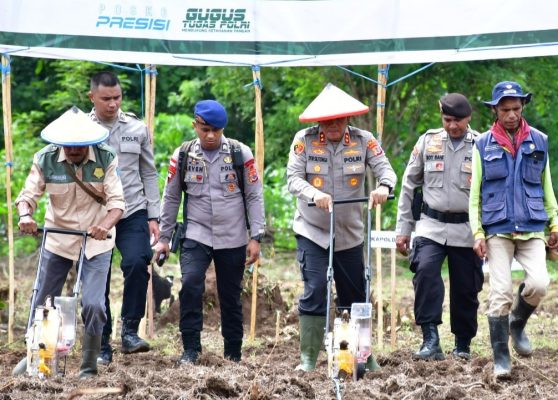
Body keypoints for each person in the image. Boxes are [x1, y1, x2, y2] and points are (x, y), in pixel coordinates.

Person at [287, 83, 397, 371]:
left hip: (349, 234)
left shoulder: (363, 140)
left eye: (338, 119)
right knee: (315, 291)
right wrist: (314, 194)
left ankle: (356, 357)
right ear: (319, 120)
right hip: (313, 232)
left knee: (355, 295)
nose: (333, 124)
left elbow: (386, 169)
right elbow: (293, 179)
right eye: (327, 120)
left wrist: (383, 187)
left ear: (348, 118)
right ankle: (309, 358)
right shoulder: (305, 140)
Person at [13, 107, 125, 378]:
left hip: (95, 241)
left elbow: (117, 203)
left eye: (80, 146)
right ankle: (34, 354)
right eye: (69, 146)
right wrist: (26, 215)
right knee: (42, 298)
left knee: (94, 304)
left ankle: (88, 364)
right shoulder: (46, 159)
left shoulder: (106, 158)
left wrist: (104, 226)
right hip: (58, 238)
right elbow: (28, 194)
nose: (74, 151)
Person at [154, 99, 265, 364]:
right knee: (190, 285)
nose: (211, 135)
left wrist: (256, 236)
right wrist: (164, 239)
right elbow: (170, 199)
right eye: (205, 129)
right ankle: (191, 348)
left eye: (217, 129)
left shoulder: (240, 153)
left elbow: (254, 196)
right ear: (195, 125)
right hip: (196, 234)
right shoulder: (182, 155)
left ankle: (233, 353)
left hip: (233, 236)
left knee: (230, 295)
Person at [469, 81, 558, 378]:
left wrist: (555, 223)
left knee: (539, 283)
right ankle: (501, 358)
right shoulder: (482, 145)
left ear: (523, 108)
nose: (511, 114)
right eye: (505, 109)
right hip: (497, 228)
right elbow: (475, 195)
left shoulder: (540, 141)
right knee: (500, 293)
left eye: (516, 109)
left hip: (533, 226)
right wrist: (477, 232)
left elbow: (546, 185)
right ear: (495, 110)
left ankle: (517, 324)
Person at [395, 93, 483, 361]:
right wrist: (403, 228)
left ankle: (463, 344)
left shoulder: (481, 145)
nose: (452, 125)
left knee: (466, 287)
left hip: (466, 229)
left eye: (458, 120)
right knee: (425, 273)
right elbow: (409, 184)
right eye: (447, 120)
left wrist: (486, 233)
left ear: (468, 118)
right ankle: (430, 339)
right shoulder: (427, 141)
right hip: (430, 226)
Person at [88, 71, 161, 364]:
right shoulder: (81, 130)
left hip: (132, 210)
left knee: (136, 262)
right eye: (106, 99)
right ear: (92, 97)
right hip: (96, 213)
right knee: (100, 275)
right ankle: (102, 342)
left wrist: (154, 215)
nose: (113, 104)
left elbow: (149, 172)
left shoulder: (137, 128)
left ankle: (129, 331)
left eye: (117, 97)